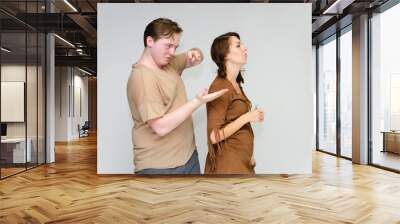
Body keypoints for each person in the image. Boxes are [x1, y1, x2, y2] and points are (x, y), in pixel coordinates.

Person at [127, 18, 227, 175]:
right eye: (168, 46)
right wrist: (197, 102)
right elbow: (160, 127)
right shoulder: (142, 79)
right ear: (150, 41)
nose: (172, 52)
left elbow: (193, 58)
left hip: (188, 158)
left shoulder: (167, 63)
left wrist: (196, 53)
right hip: (160, 168)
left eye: (175, 47)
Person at [205, 32, 264, 174]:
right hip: (227, 167)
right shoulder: (220, 86)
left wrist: (250, 155)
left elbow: (237, 124)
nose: (245, 48)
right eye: (238, 46)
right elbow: (214, 136)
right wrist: (247, 117)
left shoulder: (235, 83)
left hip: (240, 163)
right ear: (225, 55)